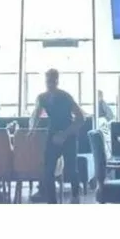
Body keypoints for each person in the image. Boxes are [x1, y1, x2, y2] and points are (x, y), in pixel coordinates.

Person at [30, 69, 85, 203]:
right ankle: (52, 202)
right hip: (53, 134)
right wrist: (31, 130)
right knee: (48, 170)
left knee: (71, 169)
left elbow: (81, 118)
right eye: (48, 81)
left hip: (68, 134)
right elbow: (36, 114)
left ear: (57, 81)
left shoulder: (65, 96)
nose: (50, 84)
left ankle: (75, 196)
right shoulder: (42, 98)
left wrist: (65, 134)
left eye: (53, 81)